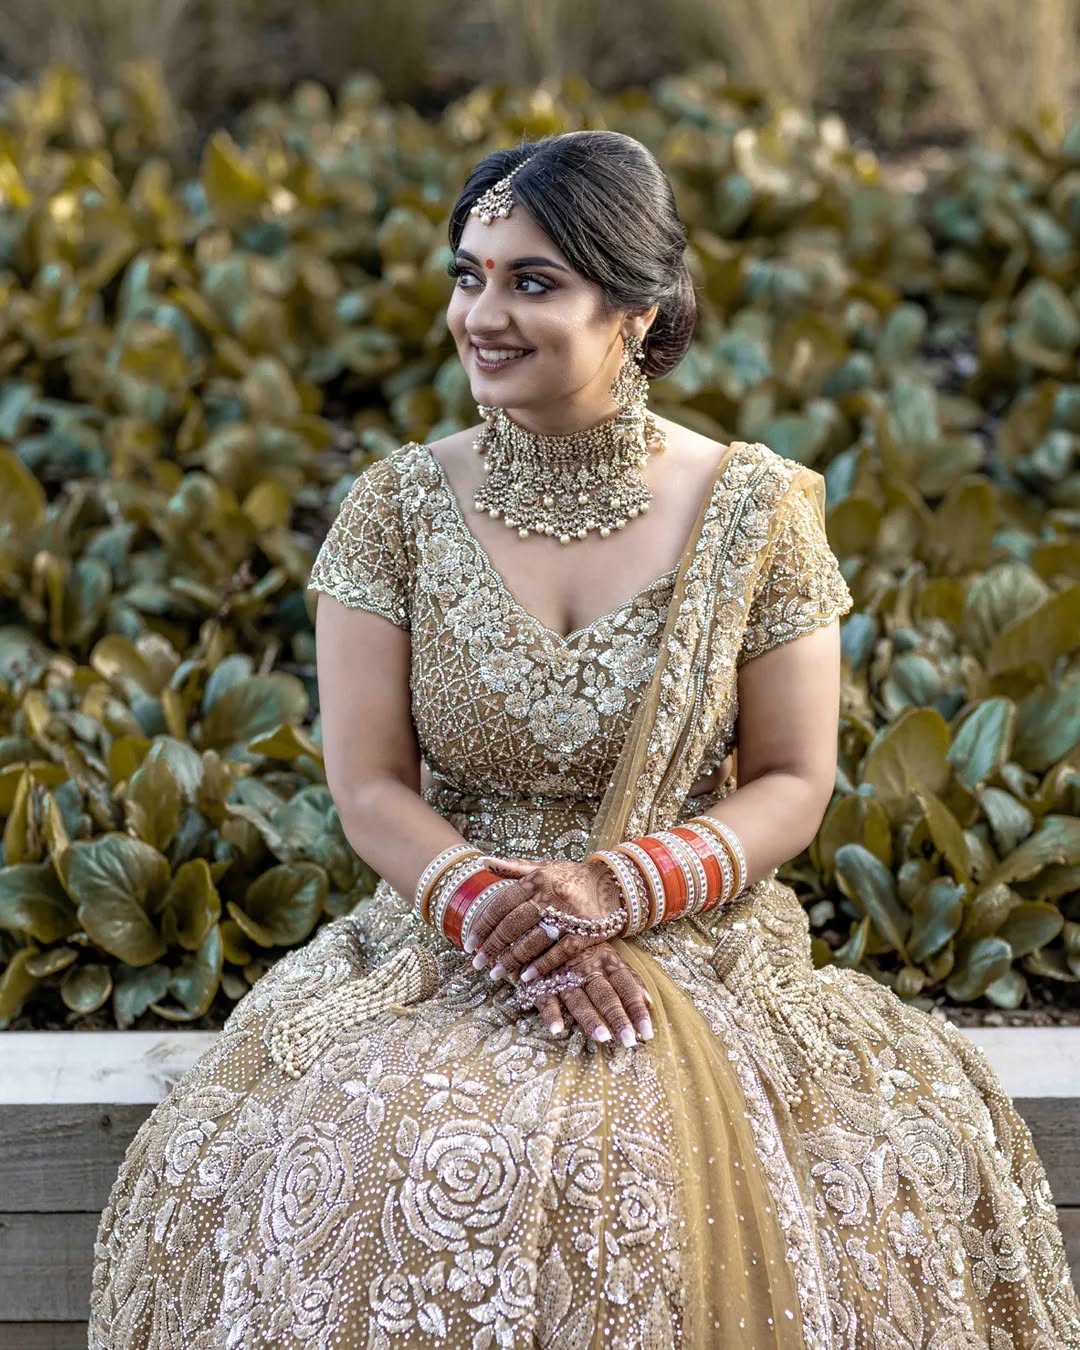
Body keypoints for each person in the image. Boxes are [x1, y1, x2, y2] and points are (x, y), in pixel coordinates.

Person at [89, 130, 1080, 1349]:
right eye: (469, 274)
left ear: (640, 310)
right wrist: (493, 909)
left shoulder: (755, 512)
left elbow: (791, 777)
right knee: (372, 1149)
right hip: (449, 934)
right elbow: (369, 785)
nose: (482, 315)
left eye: (532, 281)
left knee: (786, 1167)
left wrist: (619, 884)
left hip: (691, 932)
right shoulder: (395, 509)